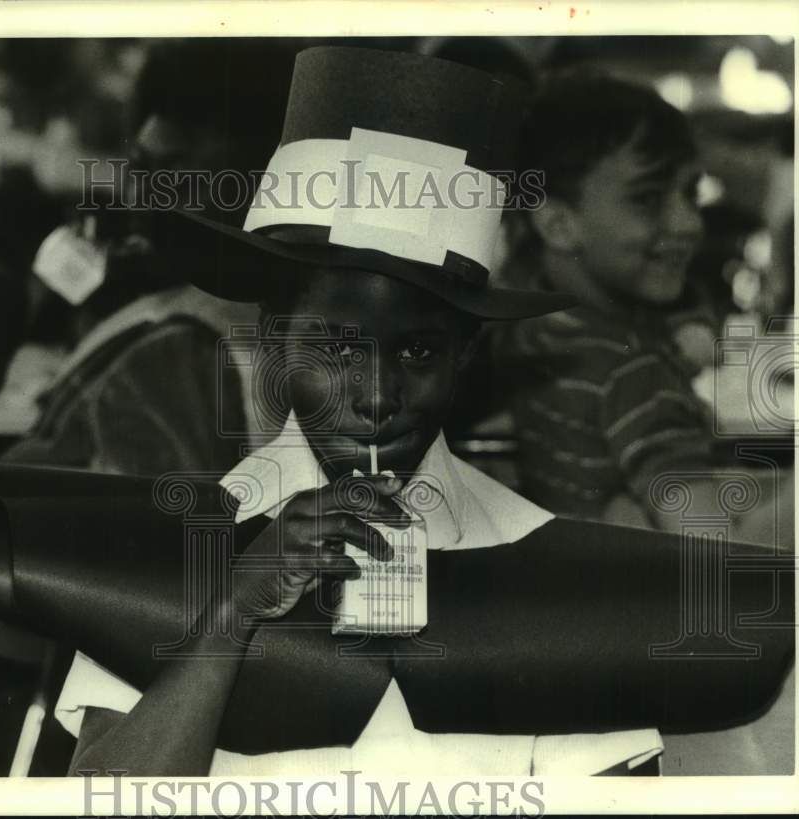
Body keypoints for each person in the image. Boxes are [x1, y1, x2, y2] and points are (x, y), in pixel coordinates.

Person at [53, 46, 677, 778]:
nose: (378, 396)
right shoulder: (168, 558)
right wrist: (232, 612)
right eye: (340, 350)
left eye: (418, 353)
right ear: (277, 333)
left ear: (465, 355)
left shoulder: (538, 567)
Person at [494, 71, 793, 542]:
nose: (688, 222)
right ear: (556, 224)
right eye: (648, 199)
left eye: (690, 193)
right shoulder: (632, 374)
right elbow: (717, 558)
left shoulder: (535, 332)